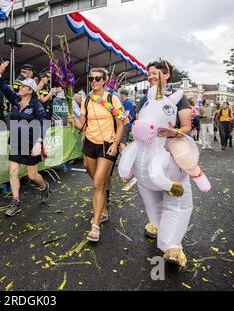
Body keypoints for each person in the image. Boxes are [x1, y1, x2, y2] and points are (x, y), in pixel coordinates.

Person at [136, 60, 193, 267]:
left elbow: (186, 126)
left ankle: (173, 246)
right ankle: (158, 224)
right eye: (148, 73)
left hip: (172, 156)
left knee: (176, 199)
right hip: (148, 156)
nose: (150, 76)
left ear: (167, 74)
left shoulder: (179, 99)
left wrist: (173, 132)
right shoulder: (145, 99)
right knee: (151, 196)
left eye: (154, 73)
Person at [68, 68, 124, 242]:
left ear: (104, 80)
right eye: (91, 78)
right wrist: (74, 122)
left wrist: (115, 143)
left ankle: (95, 226)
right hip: (90, 144)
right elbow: (83, 125)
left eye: (97, 78)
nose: (93, 81)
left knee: (98, 184)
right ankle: (104, 205)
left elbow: (121, 124)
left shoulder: (111, 98)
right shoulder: (86, 100)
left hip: (107, 145)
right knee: (94, 175)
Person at [0, 61, 51, 217]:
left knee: (32, 175)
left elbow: (43, 123)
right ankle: (16, 202)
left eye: (23, 87)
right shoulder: (16, 100)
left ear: (30, 91)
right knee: (13, 171)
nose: (19, 88)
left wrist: (39, 142)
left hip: (31, 143)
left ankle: (43, 185)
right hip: (15, 142)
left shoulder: (36, 105)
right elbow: (5, 88)